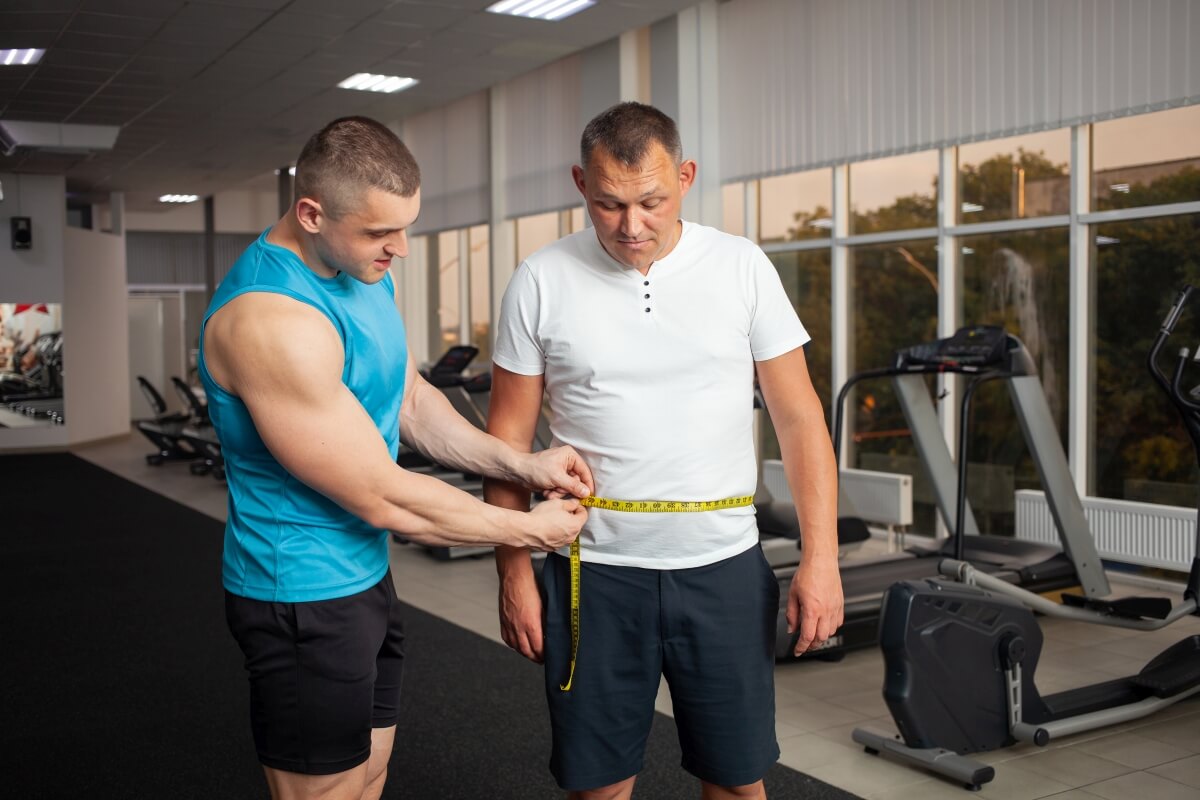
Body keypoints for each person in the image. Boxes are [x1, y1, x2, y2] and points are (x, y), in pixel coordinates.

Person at [200, 116, 594, 800]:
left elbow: (408, 398)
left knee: (372, 772)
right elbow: (383, 495)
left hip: (363, 577)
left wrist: (522, 465)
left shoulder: (361, 270)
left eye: (405, 226)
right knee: (326, 792)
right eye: (381, 233)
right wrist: (530, 530)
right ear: (311, 212)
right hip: (298, 592)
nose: (401, 250)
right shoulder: (271, 320)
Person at [486, 102, 844, 800]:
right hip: (592, 574)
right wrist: (513, 573)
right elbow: (505, 444)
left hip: (723, 570)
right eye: (608, 205)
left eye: (651, 200)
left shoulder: (741, 267)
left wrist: (821, 560)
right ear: (579, 184)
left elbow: (801, 421)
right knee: (598, 787)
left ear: (685, 177)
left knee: (738, 780)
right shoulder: (540, 278)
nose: (631, 226)